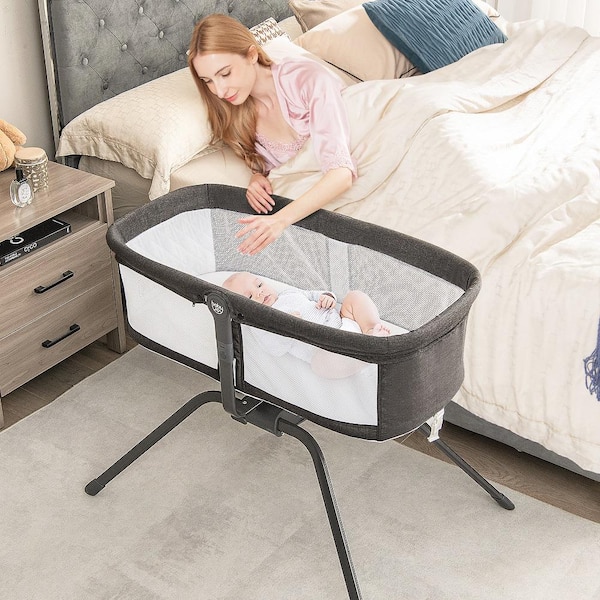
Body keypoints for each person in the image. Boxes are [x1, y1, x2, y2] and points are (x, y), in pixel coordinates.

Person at [188, 14, 357, 256]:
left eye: (225, 74)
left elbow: (342, 174)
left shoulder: (305, 78)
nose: (220, 91)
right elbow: (274, 166)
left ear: (251, 55)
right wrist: (257, 176)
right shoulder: (236, 116)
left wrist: (279, 220)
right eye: (208, 81)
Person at [222, 271, 389, 379]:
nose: (259, 292)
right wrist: (286, 328)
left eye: (259, 285)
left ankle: (370, 330)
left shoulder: (289, 293)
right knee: (319, 366)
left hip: (343, 323)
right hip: (327, 349)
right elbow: (274, 349)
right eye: (250, 297)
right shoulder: (261, 324)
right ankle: (364, 359)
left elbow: (313, 295)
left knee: (354, 296)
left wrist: (327, 297)